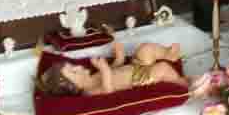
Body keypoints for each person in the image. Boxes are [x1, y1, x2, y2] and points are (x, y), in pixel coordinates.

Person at [40, 41, 188, 96]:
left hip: (135, 66)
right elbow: (108, 91)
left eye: (73, 66)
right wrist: (104, 70)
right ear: (71, 86)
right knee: (162, 68)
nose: (78, 66)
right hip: (138, 79)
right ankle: (182, 83)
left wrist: (119, 58)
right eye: (73, 71)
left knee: (145, 48)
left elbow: (115, 70)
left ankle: (168, 54)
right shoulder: (88, 91)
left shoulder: (93, 76)